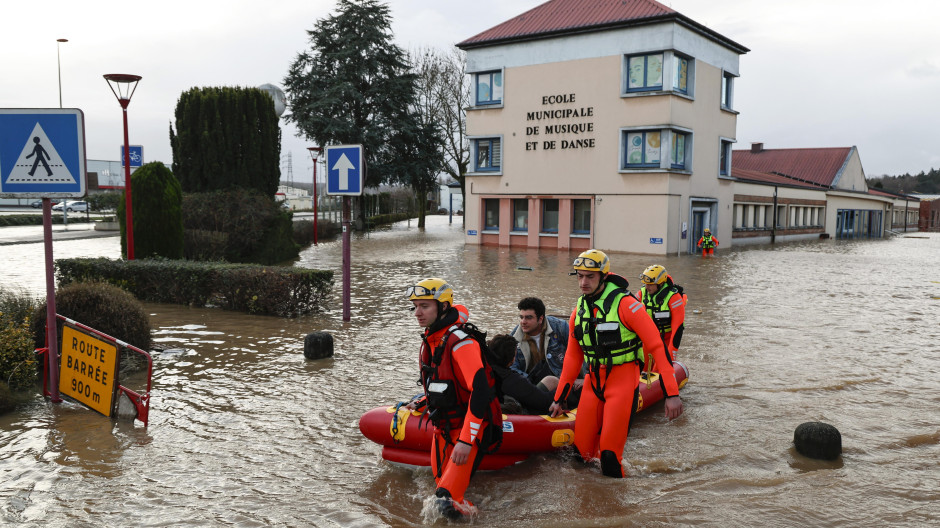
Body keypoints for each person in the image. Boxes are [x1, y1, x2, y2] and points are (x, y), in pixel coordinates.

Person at [549, 249, 683, 478]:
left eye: (589, 276)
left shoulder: (627, 305)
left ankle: (620, 506)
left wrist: (671, 393)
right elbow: (573, 357)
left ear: (603, 276)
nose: (583, 282)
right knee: (581, 456)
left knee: (609, 458)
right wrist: (559, 397)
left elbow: (656, 347)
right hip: (593, 382)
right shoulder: (578, 310)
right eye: (580, 276)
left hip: (622, 382)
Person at [407, 278, 501, 520]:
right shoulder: (431, 339)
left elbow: (480, 392)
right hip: (443, 430)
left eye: (425, 306)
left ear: (444, 307)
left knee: (444, 503)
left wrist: (466, 441)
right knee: (442, 495)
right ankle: (476, 510)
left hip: (469, 428)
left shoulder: (461, 341)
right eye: (415, 306)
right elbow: (438, 385)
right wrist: (420, 402)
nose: (418, 312)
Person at [510, 297, 577, 394]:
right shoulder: (515, 336)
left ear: (540, 319)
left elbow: (581, 352)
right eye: (521, 317)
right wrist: (527, 382)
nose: (523, 322)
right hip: (531, 383)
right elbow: (512, 367)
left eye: (528, 317)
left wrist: (583, 378)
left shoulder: (560, 327)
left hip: (562, 381)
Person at [487, 333, 556, 415]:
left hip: (499, 407)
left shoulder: (483, 372)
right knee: (556, 385)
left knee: (550, 380)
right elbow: (545, 402)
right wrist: (564, 388)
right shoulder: (513, 381)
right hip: (521, 415)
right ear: (511, 360)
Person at [637, 264, 687, 371]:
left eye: (650, 284)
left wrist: (672, 352)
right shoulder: (642, 293)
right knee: (641, 367)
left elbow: (678, 328)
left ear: (660, 283)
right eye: (645, 284)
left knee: (658, 370)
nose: (647, 287)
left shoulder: (673, 297)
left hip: (667, 339)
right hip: (649, 338)